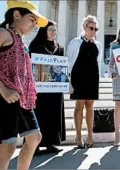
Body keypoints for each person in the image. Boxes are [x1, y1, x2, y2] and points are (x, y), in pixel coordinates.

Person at [0, 1, 48, 169]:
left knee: (34, 138)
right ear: (16, 15)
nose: (34, 25)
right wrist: (3, 89)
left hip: (22, 99)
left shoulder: (21, 42)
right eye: (32, 19)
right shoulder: (2, 33)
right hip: (4, 97)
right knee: (7, 147)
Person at [28, 20, 66, 154]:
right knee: (40, 114)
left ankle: (51, 143)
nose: (53, 32)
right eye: (50, 29)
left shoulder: (59, 47)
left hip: (55, 88)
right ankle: (35, 146)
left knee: (54, 114)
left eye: (55, 30)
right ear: (44, 30)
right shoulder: (35, 45)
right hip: (40, 88)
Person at [67, 15, 102, 148]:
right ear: (84, 27)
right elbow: (69, 62)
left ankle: (90, 136)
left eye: (95, 29)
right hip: (78, 77)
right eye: (91, 28)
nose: (93, 31)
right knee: (79, 106)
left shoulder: (97, 44)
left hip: (92, 77)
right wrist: (69, 82)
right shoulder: (75, 42)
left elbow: (97, 63)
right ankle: (78, 136)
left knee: (90, 107)